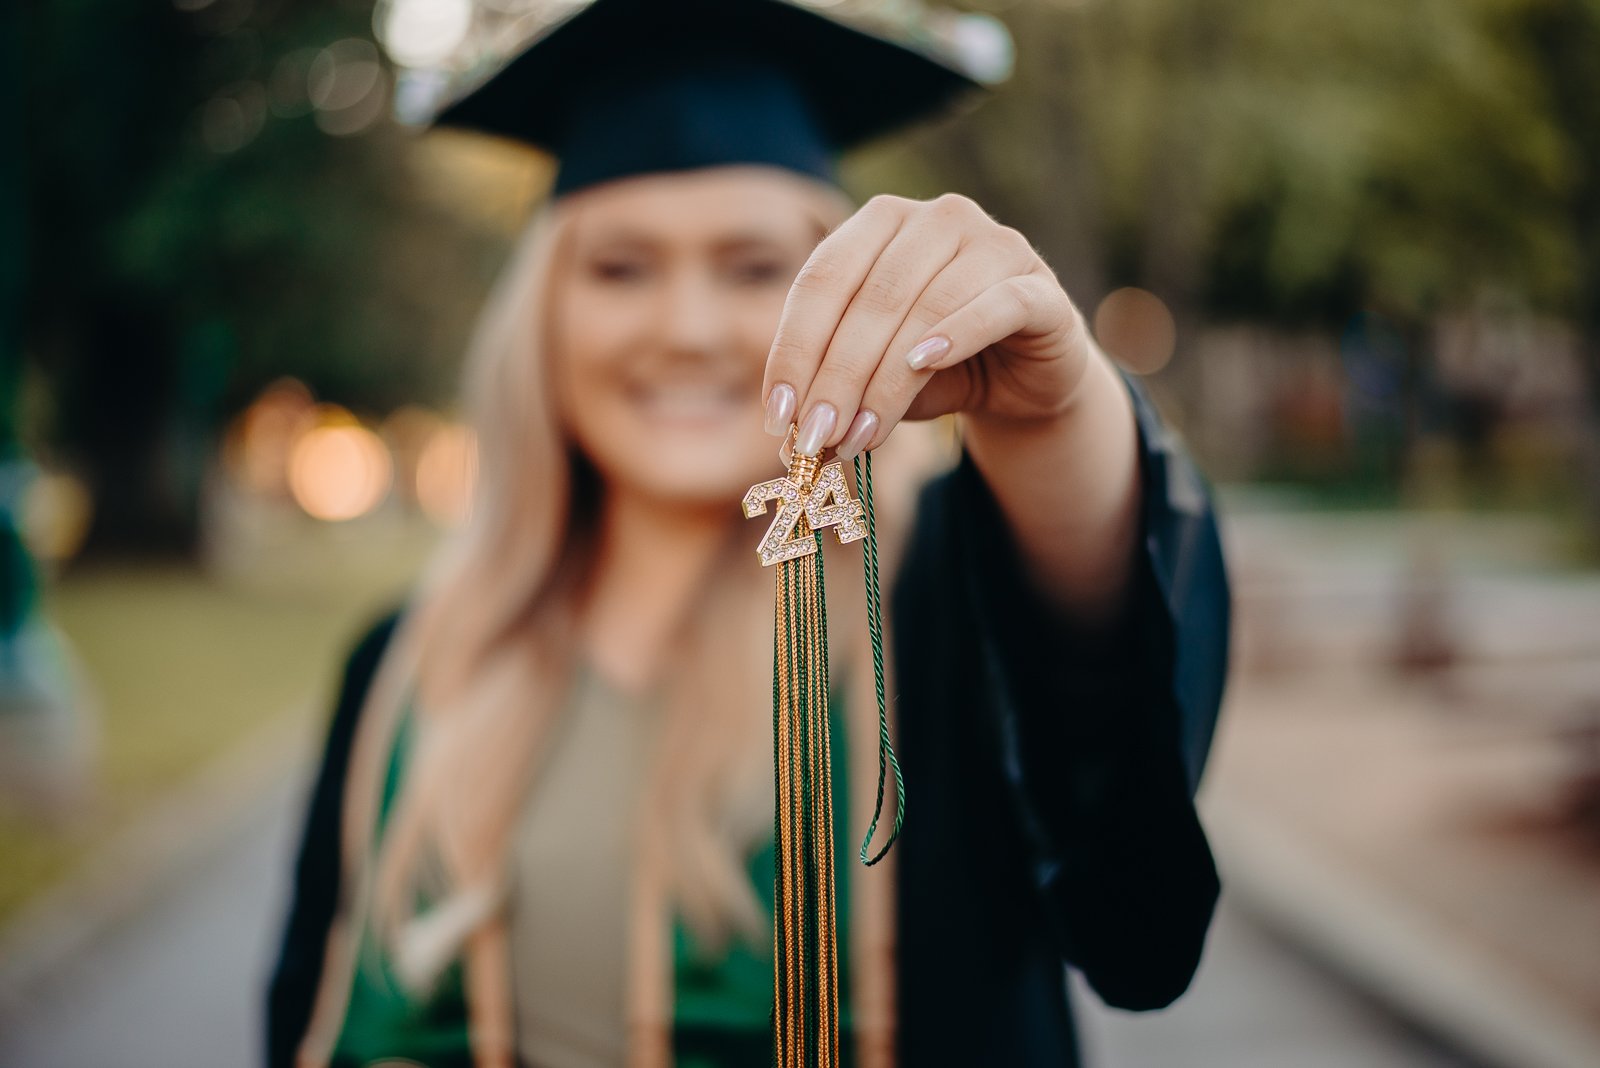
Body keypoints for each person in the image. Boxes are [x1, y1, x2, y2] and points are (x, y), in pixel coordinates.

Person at [264, 0, 1231, 1065]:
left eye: (754, 267)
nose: (686, 330)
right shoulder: (407, 668)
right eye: (620, 268)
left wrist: (1054, 417)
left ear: (843, 294)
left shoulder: (939, 612)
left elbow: (1134, 907)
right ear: (542, 315)